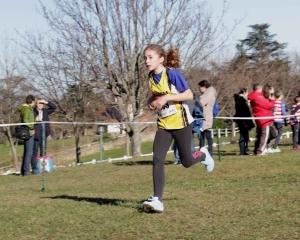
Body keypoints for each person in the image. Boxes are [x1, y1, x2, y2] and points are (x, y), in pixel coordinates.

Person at [142, 44, 214, 213]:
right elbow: (156, 95)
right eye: (145, 58)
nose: (147, 61)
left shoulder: (172, 74)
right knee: (158, 159)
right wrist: (152, 101)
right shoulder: (151, 76)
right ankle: (158, 200)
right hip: (164, 124)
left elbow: (189, 95)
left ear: (161, 59)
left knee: (187, 161)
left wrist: (166, 97)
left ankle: (203, 154)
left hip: (181, 122)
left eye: (150, 57)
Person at [173, 94, 204, 164]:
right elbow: (199, 111)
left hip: (182, 122)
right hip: (188, 122)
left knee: (179, 141)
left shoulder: (178, 98)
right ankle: (190, 157)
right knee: (189, 141)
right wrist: (198, 124)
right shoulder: (194, 99)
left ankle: (178, 158)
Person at [248, 83, 275, 155]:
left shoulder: (254, 96)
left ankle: (256, 150)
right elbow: (268, 105)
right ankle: (260, 150)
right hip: (263, 118)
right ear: (259, 89)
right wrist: (272, 100)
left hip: (259, 117)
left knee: (259, 134)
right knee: (264, 135)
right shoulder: (258, 97)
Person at [31, 98, 57, 174]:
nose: (40, 105)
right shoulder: (33, 111)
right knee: (34, 152)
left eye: (42, 104)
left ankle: (44, 167)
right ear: (36, 104)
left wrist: (46, 102)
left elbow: (54, 107)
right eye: (39, 103)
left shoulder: (45, 111)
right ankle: (34, 169)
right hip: (36, 135)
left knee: (43, 151)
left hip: (44, 133)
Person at [18, 95, 36, 176]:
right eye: (34, 101)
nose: (35, 103)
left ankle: (24, 170)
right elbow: (25, 120)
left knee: (26, 152)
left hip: (28, 130)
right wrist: (31, 128)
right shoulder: (26, 108)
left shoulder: (27, 108)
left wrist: (35, 120)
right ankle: (26, 171)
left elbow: (29, 119)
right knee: (29, 152)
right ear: (31, 101)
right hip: (28, 132)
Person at [233, 88, 255, 155]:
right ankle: (242, 151)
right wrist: (245, 121)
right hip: (243, 121)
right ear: (245, 92)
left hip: (242, 120)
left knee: (244, 135)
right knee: (243, 136)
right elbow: (243, 112)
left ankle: (244, 150)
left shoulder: (239, 100)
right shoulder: (241, 100)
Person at [198, 80, 217, 155]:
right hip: (204, 116)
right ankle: (202, 151)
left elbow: (201, 103)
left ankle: (209, 151)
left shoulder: (208, 94)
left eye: (200, 87)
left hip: (206, 117)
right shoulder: (208, 93)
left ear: (203, 86)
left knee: (207, 135)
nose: (199, 89)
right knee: (202, 135)